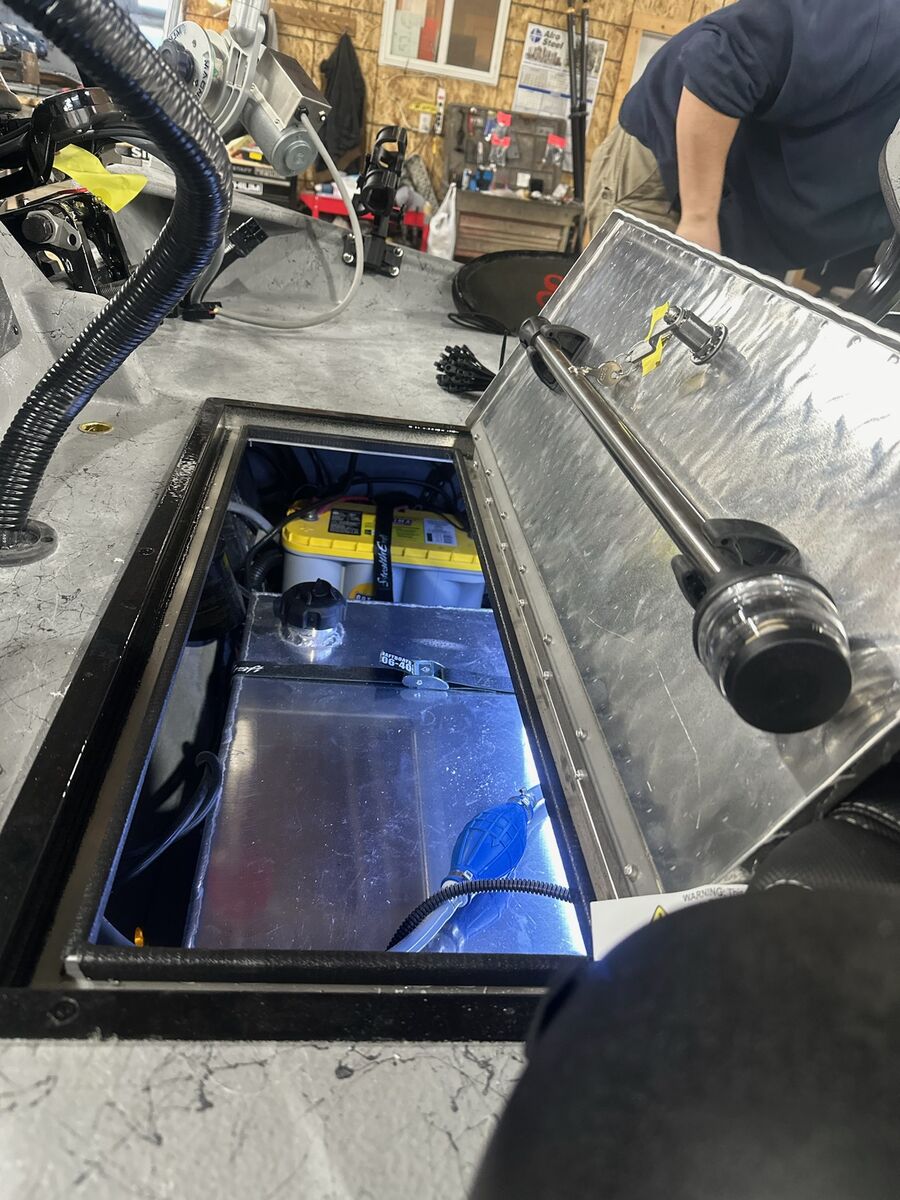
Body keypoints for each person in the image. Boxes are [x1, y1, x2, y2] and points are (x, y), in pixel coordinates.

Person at [586, 0, 900, 277]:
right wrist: (699, 219)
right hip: (675, 181)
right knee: (634, 320)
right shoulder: (878, 18)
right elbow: (724, 60)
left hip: (751, 231)